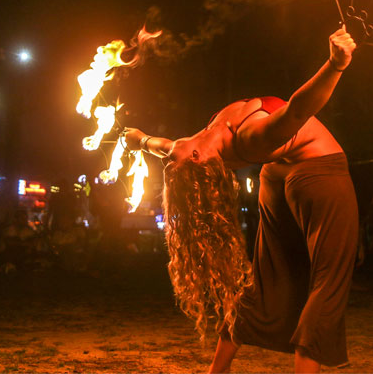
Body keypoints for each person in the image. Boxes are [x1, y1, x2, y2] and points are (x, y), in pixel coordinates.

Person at [125, 27, 357, 373]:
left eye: (168, 161)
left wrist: (140, 139)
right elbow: (296, 111)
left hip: (277, 178)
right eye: (173, 162)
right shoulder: (252, 138)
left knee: (267, 277)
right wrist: (336, 65)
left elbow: (161, 145)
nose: (169, 156)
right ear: (198, 161)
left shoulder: (188, 148)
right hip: (318, 172)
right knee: (328, 280)